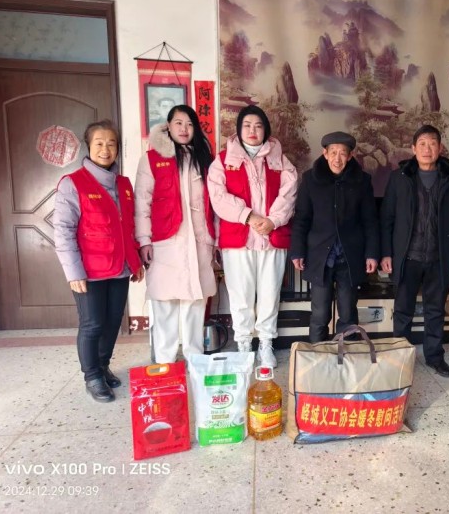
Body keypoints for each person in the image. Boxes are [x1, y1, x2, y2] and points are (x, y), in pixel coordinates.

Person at [54, 120, 144, 403]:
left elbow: (129, 226)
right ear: (89, 146)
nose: (106, 149)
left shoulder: (123, 184)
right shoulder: (73, 184)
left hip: (120, 268)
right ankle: (91, 376)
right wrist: (73, 272)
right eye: (99, 143)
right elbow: (64, 231)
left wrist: (135, 261)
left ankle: (103, 366)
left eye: (111, 144)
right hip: (89, 271)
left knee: (113, 321)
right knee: (92, 324)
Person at [208, 105, 297, 367]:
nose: (252, 130)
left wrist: (273, 220)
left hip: (271, 238)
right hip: (239, 239)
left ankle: (266, 345)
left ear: (265, 130)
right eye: (247, 125)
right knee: (240, 295)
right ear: (239, 129)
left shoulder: (280, 159)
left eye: (258, 126)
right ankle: (244, 344)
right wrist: (247, 216)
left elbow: (289, 192)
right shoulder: (223, 160)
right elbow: (218, 196)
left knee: (270, 294)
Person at [380, 125, 449, 377]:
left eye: (432, 143)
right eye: (422, 143)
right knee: (402, 311)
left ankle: (434, 356)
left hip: (439, 257)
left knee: (435, 311)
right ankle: (399, 357)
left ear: (440, 148)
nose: (427, 148)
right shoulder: (399, 177)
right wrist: (386, 253)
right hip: (407, 257)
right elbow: (386, 218)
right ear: (413, 148)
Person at [135, 105, 217, 364]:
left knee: (195, 301)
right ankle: (165, 362)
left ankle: (195, 359)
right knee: (165, 302)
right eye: (179, 123)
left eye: (189, 124)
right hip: (165, 240)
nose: (184, 129)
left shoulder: (204, 159)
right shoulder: (151, 159)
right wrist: (144, 240)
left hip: (199, 240)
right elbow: (142, 202)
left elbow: (213, 203)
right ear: (168, 126)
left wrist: (215, 240)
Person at [290, 131, 379, 342]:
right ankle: (318, 355)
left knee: (348, 312)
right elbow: (302, 218)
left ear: (350, 156)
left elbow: (370, 221)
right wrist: (297, 251)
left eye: (343, 153)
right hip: (320, 255)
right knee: (320, 313)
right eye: (333, 153)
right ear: (325, 153)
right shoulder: (310, 179)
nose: (337, 159)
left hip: (350, 256)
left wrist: (372, 254)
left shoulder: (362, 181)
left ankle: (346, 355)